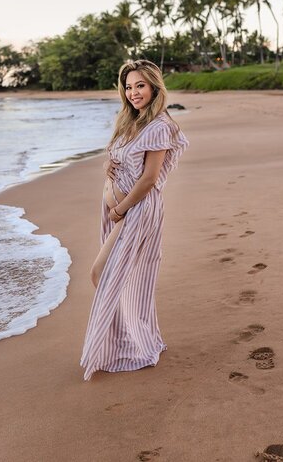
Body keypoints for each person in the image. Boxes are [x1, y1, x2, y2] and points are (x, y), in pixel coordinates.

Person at [80, 59, 189, 381]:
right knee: (126, 276)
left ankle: (134, 341)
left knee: (103, 273)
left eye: (140, 85)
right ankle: (136, 339)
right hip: (122, 210)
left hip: (137, 210)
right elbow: (121, 160)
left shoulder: (160, 126)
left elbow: (149, 179)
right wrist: (107, 169)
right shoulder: (133, 122)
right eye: (128, 87)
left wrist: (119, 209)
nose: (133, 92)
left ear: (155, 86)